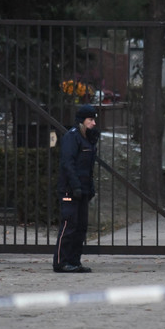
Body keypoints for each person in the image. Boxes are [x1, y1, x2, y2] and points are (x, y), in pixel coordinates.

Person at [53, 104, 99, 273]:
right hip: (70, 190)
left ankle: (74, 261)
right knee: (69, 226)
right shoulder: (72, 137)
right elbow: (68, 164)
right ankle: (61, 262)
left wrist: (89, 188)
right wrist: (75, 186)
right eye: (91, 120)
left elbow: (88, 168)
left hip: (83, 190)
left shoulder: (87, 138)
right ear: (82, 121)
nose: (94, 123)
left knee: (80, 227)